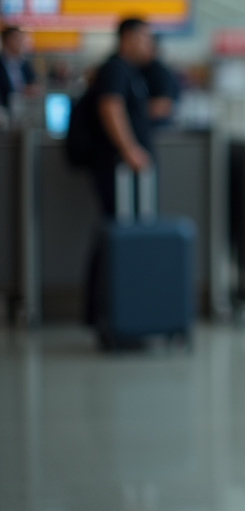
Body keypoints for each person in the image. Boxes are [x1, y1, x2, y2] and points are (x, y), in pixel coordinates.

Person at [82, 17, 156, 327]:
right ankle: (104, 309)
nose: (148, 46)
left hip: (127, 174)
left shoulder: (130, 72)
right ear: (127, 37)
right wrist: (130, 150)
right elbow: (110, 107)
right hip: (117, 171)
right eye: (144, 38)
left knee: (121, 234)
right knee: (115, 233)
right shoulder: (114, 69)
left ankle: (124, 304)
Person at [142, 35, 181, 127]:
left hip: (158, 129)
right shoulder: (136, 68)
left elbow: (162, 107)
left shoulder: (159, 71)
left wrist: (129, 109)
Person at [0, 25, 36, 113]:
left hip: (24, 110)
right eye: (16, 39)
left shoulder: (25, 64)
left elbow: (33, 82)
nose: (20, 43)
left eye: (21, 39)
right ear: (5, 40)